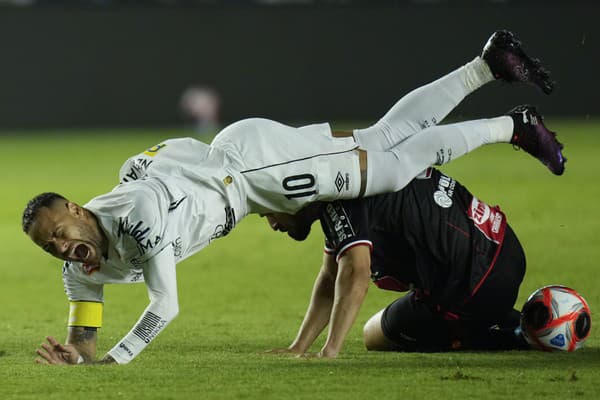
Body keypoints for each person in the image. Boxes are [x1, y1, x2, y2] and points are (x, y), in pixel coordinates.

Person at [26, 30, 561, 365]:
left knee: (393, 169)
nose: (62, 248)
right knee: (381, 141)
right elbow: (84, 327)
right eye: (51, 247)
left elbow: (165, 303)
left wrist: (115, 361)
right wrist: (79, 355)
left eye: (60, 233)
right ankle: (489, 65)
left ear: (76, 210)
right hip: (245, 165)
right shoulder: (83, 260)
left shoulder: (137, 216)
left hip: (256, 174)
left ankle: (510, 127)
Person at [262, 166, 529, 357]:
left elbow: (357, 273)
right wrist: (297, 347)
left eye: (269, 211)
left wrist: (329, 351)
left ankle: (504, 333)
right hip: (505, 247)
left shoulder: (339, 201)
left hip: (475, 284)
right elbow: (331, 278)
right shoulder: (349, 171)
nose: (272, 223)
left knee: (374, 334)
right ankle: (528, 319)